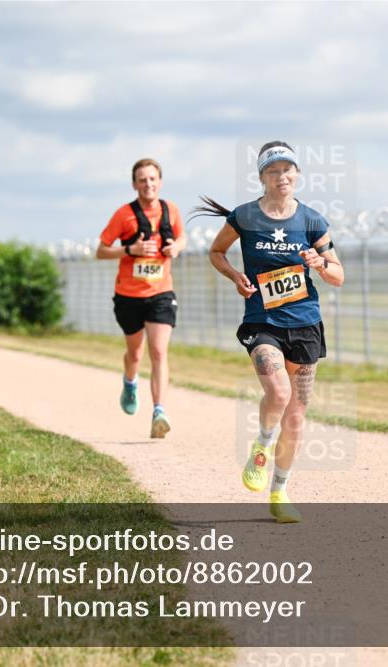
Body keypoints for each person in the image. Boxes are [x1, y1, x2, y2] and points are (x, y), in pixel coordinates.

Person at [194, 141, 345, 523]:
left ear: (297, 174)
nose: (283, 177)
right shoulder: (244, 217)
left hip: (305, 322)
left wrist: (319, 263)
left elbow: (338, 276)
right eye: (274, 171)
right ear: (262, 177)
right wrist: (234, 277)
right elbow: (216, 252)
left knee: (295, 417)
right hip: (263, 322)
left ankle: (279, 491)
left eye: (288, 169)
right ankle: (261, 447)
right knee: (277, 392)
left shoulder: (312, 220)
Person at [96, 158, 186, 439]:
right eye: (142, 179)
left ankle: (159, 411)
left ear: (160, 181)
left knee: (158, 351)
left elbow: (183, 238)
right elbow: (101, 250)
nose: (148, 184)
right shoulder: (124, 215)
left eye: (152, 178)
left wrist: (176, 248)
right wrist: (130, 249)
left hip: (161, 292)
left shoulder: (171, 210)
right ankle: (130, 381)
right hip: (128, 295)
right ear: (134, 184)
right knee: (135, 353)